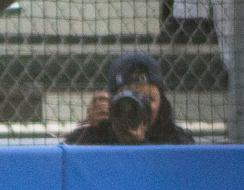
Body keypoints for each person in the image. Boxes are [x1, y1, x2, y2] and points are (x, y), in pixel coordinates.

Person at [63, 53, 195, 146]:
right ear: (112, 101)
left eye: (148, 98)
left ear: (162, 103)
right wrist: (90, 130)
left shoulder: (176, 141)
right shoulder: (94, 137)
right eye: (131, 96)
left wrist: (140, 144)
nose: (139, 106)